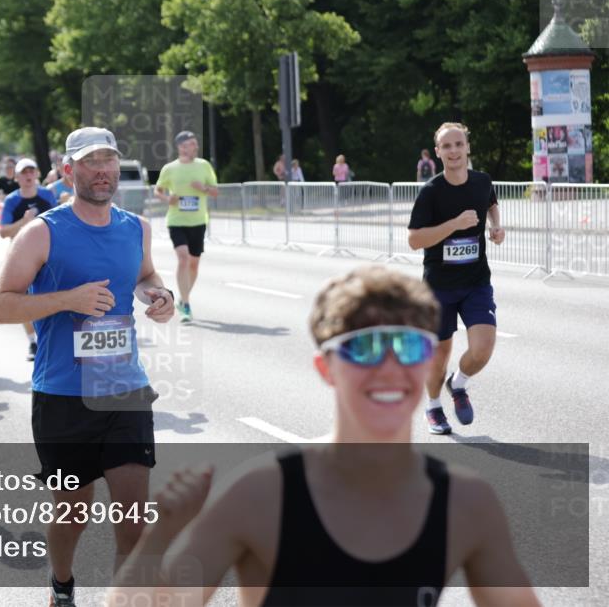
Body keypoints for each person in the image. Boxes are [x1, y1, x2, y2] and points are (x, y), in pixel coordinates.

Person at [109, 266, 539, 607]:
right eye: (365, 348)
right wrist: (159, 538)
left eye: (409, 347)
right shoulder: (261, 494)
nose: (390, 368)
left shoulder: (465, 502)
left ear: (429, 362)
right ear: (325, 367)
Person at [0, 125, 174, 607]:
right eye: (91, 161)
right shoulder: (41, 232)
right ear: (68, 170)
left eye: (109, 160)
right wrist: (68, 299)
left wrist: (159, 294)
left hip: (124, 387)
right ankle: (62, 584)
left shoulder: (136, 228)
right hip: (64, 394)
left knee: (134, 518)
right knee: (73, 513)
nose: (103, 170)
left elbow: (145, 274)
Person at [408, 122, 504, 435]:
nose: (453, 151)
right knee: (439, 357)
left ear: (467, 147)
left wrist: (496, 226)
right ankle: (434, 407)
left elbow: (491, 203)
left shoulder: (482, 181)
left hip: (476, 282)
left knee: (482, 349)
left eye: (458, 144)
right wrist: (454, 224)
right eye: (447, 146)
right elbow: (414, 240)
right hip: (439, 287)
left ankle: (458, 383)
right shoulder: (431, 192)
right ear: (438, 152)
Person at [153, 130, 219, 323]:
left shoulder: (204, 166)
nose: (196, 146)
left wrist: (203, 188)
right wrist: (167, 198)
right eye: (191, 144)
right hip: (176, 221)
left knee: (193, 263)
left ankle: (183, 298)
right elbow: (158, 190)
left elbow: (215, 191)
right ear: (181, 147)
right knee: (183, 258)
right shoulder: (169, 169)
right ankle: (187, 305)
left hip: (198, 221)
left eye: (195, 143)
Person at [0, 158, 57, 360]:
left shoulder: (47, 195)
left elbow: (59, 221)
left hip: (49, 254)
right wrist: (23, 222)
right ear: (17, 177)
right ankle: (33, 341)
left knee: (51, 295)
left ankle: (51, 339)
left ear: (37, 174)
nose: (28, 175)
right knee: (23, 298)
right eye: (24, 172)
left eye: (32, 171)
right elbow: (3, 232)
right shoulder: (12, 200)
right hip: (21, 255)